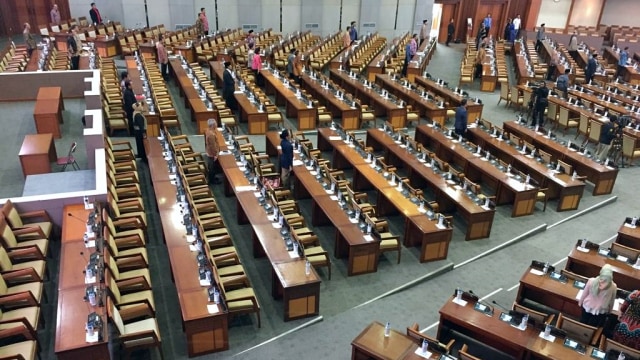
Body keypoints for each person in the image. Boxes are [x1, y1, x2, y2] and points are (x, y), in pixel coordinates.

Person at [205, 119, 221, 185]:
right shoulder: (211, 134)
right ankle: (212, 180)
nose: (216, 125)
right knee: (212, 167)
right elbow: (213, 146)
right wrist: (215, 155)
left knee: (212, 166)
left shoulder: (209, 131)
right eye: (215, 124)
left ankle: (213, 178)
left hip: (210, 152)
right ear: (213, 125)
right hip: (212, 153)